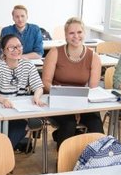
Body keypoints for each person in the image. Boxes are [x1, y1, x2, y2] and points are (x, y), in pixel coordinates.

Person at [42, 17, 103, 148]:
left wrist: (79, 107)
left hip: (82, 102)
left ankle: (98, 159)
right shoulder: (55, 53)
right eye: (71, 33)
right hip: (58, 101)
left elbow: (92, 89)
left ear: (84, 33)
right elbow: (46, 82)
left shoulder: (94, 57)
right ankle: (63, 162)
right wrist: (66, 101)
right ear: (65, 35)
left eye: (79, 32)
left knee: (95, 122)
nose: (76, 36)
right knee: (69, 124)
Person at [0, 34, 46, 149]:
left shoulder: (28, 65)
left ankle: (2, 156)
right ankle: (2, 155)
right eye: (11, 47)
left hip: (21, 111)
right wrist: (3, 100)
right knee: (18, 127)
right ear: (3, 51)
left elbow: (38, 87)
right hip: (4, 110)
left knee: (20, 126)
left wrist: (36, 97)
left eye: (18, 47)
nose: (16, 50)